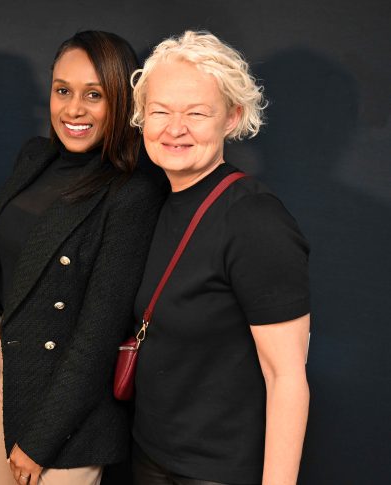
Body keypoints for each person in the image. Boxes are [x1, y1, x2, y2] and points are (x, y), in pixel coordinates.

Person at [0, 31, 165, 485]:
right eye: (63, 91)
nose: (73, 109)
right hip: (3, 377)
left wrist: (40, 440)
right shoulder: (34, 156)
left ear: (121, 100)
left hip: (67, 414)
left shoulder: (132, 193)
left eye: (94, 95)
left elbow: (98, 336)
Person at [129, 31, 311, 485]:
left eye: (196, 113)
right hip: (150, 458)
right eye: (161, 111)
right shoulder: (160, 201)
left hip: (217, 473)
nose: (175, 128)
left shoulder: (253, 219)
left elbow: (286, 377)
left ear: (231, 118)